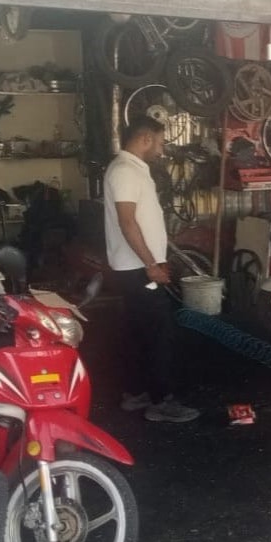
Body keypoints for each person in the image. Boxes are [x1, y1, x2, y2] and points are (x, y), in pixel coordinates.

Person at [104, 115, 199, 423]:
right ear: (145, 139)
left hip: (136, 267)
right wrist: (151, 265)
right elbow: (127, 222)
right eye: (159, 142)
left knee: (139, 332)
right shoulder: (125, 172)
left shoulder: (132, 170)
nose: (161, 149)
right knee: (160, 334)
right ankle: (162, 401)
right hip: (137, 268)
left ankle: (137, 392)